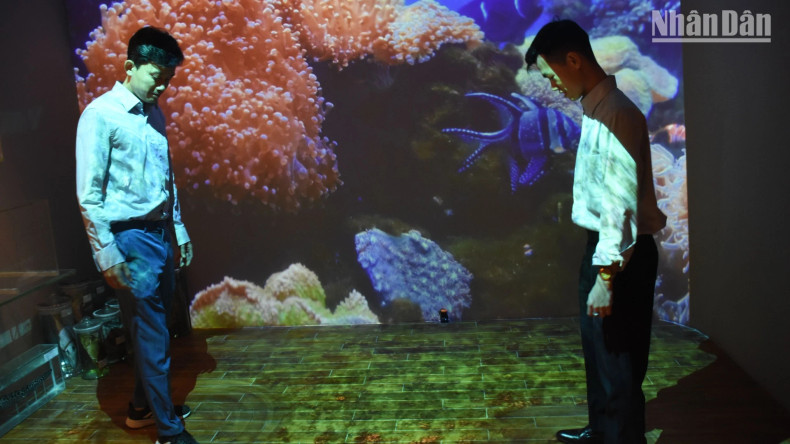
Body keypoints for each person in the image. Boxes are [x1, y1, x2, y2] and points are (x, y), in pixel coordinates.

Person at [524, 20, 667, 444]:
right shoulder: (594, 109)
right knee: (600, 355)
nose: (550, 85)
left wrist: (606, 277)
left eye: (551, 75)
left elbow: (619, 207)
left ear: (573, 60)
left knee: (619, 362)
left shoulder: (618, 113)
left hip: (621, 256)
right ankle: (601, 431)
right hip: (604, 252)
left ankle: (619, 437)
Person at [76, 26, 198, 444]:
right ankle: (167, 430)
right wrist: (107, 254)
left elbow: (168, 179)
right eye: (155, 77)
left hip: (160, 233)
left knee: (158, 327)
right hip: (129, 238)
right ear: (130, 67)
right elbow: (89, 195)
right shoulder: (100, 115)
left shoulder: (154, 114)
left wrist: (177, 229)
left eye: (168, 79)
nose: (161, 86)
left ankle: (142, 408)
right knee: (152, 332)